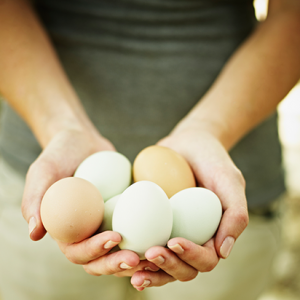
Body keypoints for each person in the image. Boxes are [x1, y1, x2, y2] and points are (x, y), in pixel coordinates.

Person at [0, 0, 299, 299]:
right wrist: (60, 126)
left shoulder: (204, 203)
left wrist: (210, 128)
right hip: (46, 170)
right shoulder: (66, 200)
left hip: (221, 178)